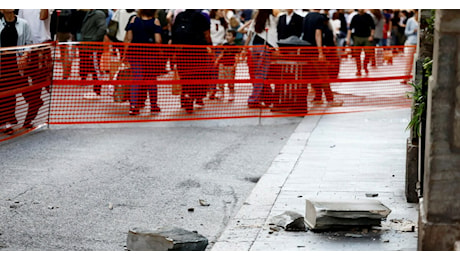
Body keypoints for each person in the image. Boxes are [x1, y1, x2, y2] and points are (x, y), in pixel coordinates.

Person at [122, 9, 162, 116]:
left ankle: (133, 106)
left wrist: (124, 54)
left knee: (137, 78)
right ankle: (154, 106)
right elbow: (158, 40)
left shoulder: (133, 20)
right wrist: (159, 52)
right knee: (151, 80)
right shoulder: (155, 21)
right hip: (150, 55)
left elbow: (128, 39)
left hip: (134, 54)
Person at [171, 9, 212, 113]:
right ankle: (194, 97)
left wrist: (174, 52)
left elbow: (174, 34)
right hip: (198, 53)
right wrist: (210, 47)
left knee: (184, 76)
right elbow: (207, 35)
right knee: (198, 75)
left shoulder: (180, 16)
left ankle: (184, 97)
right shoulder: (201, 17)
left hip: (182, 53)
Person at [18, 9, 53, 129]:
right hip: (26, 46)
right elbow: (21, 22)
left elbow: (43, 16)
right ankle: (35, 102)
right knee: (20, 79)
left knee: (38, 84)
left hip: (41, 47)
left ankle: (29, 118)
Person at [0, 9, 32, 134]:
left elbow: (29, 43)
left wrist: (24, 55)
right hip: (2, 63)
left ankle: (8, 121)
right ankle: (4, 122)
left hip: (16, 63)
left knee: (11, 94)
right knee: (3, 93)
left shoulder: (23, 23)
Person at [302, 9, 343, 108]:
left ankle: (318, 97)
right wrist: (320, 51)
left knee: (313, 76)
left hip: (307, 50)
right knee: (323, 75)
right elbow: (318, 34)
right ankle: (330, 99)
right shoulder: (319, 17)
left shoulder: (307, 16)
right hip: (315, 51)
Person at [244, 9, 278, 109]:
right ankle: (253, 100)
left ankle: (268, 98)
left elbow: (249, 35)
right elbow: (273, 35)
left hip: (254, 48)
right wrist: (276, 48)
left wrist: (245, 49)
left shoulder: (257, 19)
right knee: (261, 75)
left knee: (258, 74)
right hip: (265, 48)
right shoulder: (271, 19)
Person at [79, 9, 107, 100]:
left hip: (93, 47)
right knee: (94, 67)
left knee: (96, 69)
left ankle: (97, 91)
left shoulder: (98, 14)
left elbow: (102, 28)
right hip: (88, 45)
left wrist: (94, 39)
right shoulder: (90, 14)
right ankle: (96, 90)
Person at [346, 9, 375, 76]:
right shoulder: (355, 17)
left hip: (367, 37)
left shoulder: (368, 16)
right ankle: (358, 69)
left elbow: (373, 27)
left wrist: (371, 35)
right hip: (357, 37)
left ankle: (365, 65)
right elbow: (350, 28)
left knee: (368, 53)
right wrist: (348, 38)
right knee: (357, 54)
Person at [215, 29, 239, 102]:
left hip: (230, 65)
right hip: (222, 64)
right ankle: (221, 92)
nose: (227, 37)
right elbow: (222, 53)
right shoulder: (224, 45)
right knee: (221, 79)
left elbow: (237, 56)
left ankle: (231, 93)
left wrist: (235, 64)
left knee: (230, 80)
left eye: (229, 35)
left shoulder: (235, 46)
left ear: (234, 37)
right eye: (226, 35)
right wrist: (217, 60)